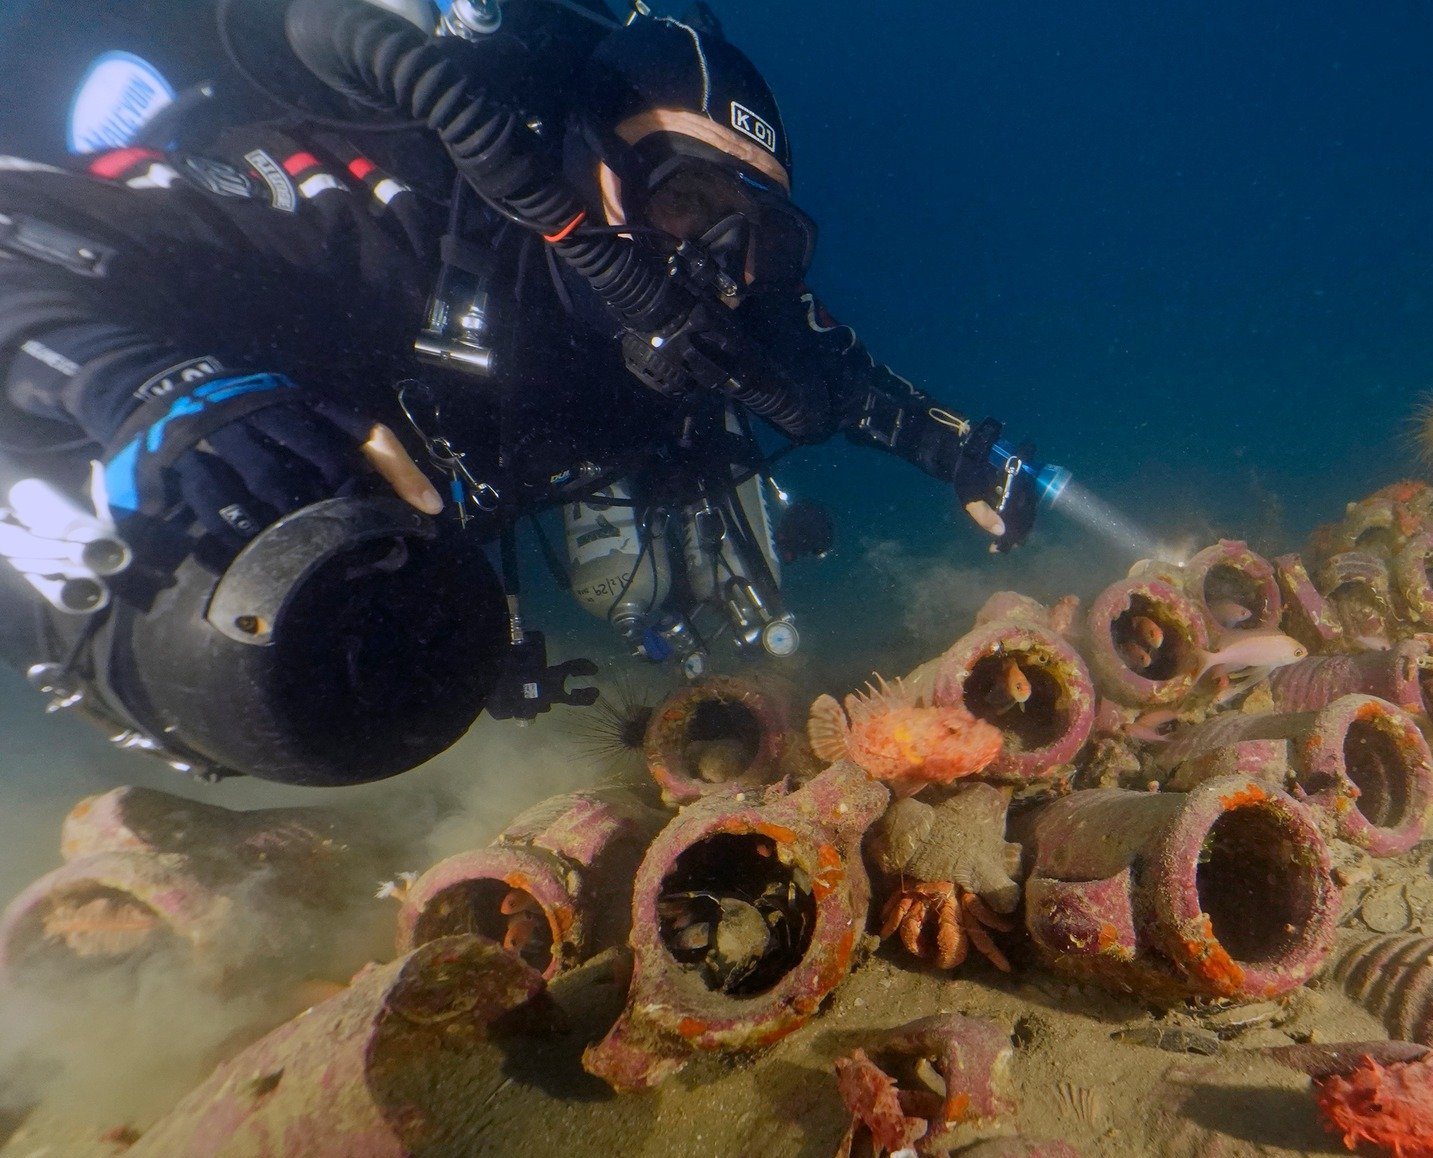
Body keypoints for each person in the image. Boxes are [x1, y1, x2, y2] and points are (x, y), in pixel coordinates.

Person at [0, 0, 1048, 782]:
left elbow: (841, 383)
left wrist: (962, 455)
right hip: (251, 510)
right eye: (683, 196)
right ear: (587, 165)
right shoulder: (389, 220)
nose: (720, 258)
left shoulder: (726, 303)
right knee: (219, 606)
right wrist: (136, 384)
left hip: (447, 533)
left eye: (754, 227)